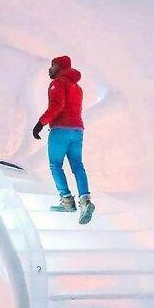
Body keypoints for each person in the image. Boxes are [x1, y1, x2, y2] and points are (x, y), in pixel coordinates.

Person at [32, 55, 95, 225]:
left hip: (61, 130)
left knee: (55, 164)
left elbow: (57, 106)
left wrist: (40, 124)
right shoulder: (77, 87)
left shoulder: (58, 83)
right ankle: (85, 201)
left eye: (52, 65)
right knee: (78, 166)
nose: (49, 69)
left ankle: (67, 200)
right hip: (77, 130)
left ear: (60, 67)